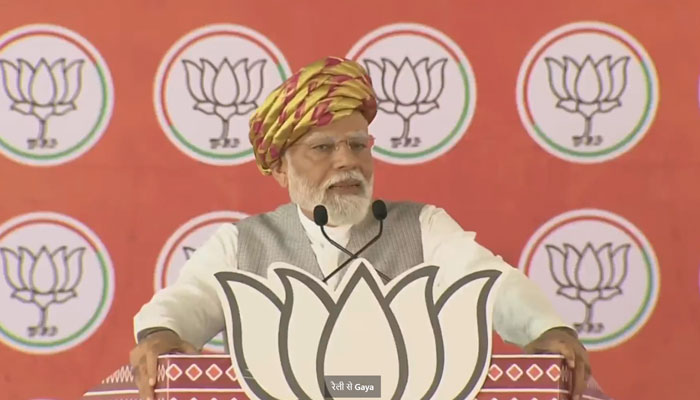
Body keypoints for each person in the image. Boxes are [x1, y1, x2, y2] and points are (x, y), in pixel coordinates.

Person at [129, 56, 590, 400]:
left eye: (357, 144)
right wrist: (160, 337)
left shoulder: (423, 227)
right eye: (323, 148)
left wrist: (546, 329)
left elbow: (492, 284)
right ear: (281, 171)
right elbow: (183, 306)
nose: (347, 160)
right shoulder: (242, 244)